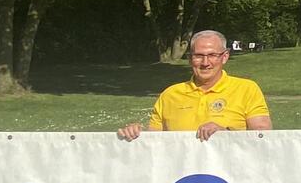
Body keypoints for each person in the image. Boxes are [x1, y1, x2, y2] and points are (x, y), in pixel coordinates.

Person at [117, 30, 272, 141]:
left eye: (212, 55)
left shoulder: (246, 89)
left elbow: (263, 135)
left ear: (224, 57)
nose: (205, 63)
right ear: (190, 59)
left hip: (228, 177)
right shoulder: (170, 94)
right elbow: (155, 140)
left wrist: (226, 135)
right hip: (180, 178)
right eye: (199, 56)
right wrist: (137, 133)